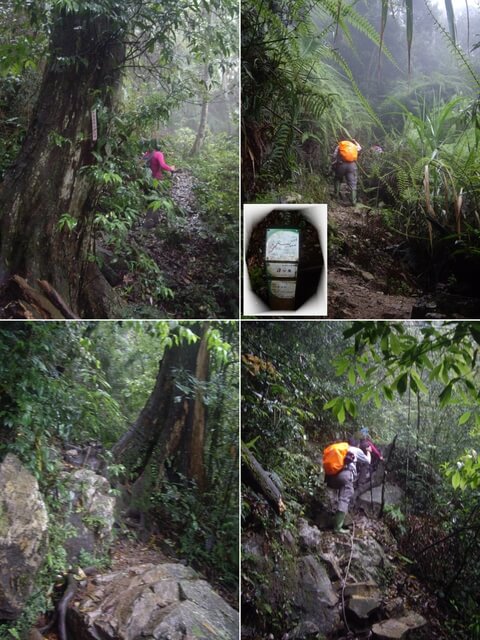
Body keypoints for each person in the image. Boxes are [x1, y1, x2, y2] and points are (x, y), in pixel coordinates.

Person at [323, 439, 371, 532]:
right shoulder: (356, 450)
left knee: (342, 491)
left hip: (330, 478)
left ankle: (335, 516)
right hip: (345, 475)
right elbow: (367, 461)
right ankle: (338, 527)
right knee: (346, 496)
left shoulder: (341, 449)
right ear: (357, 445)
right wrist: (368, 451)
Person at [332, 138, 362, 206]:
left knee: (338, 179)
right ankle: (353, 202)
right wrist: (355, 141)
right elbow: (360, 148)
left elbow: (334, 155)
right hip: (352, 166)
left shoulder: (340, 146)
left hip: (341, 165)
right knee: (352, 183)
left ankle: (336, 195)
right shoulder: (354, 146)